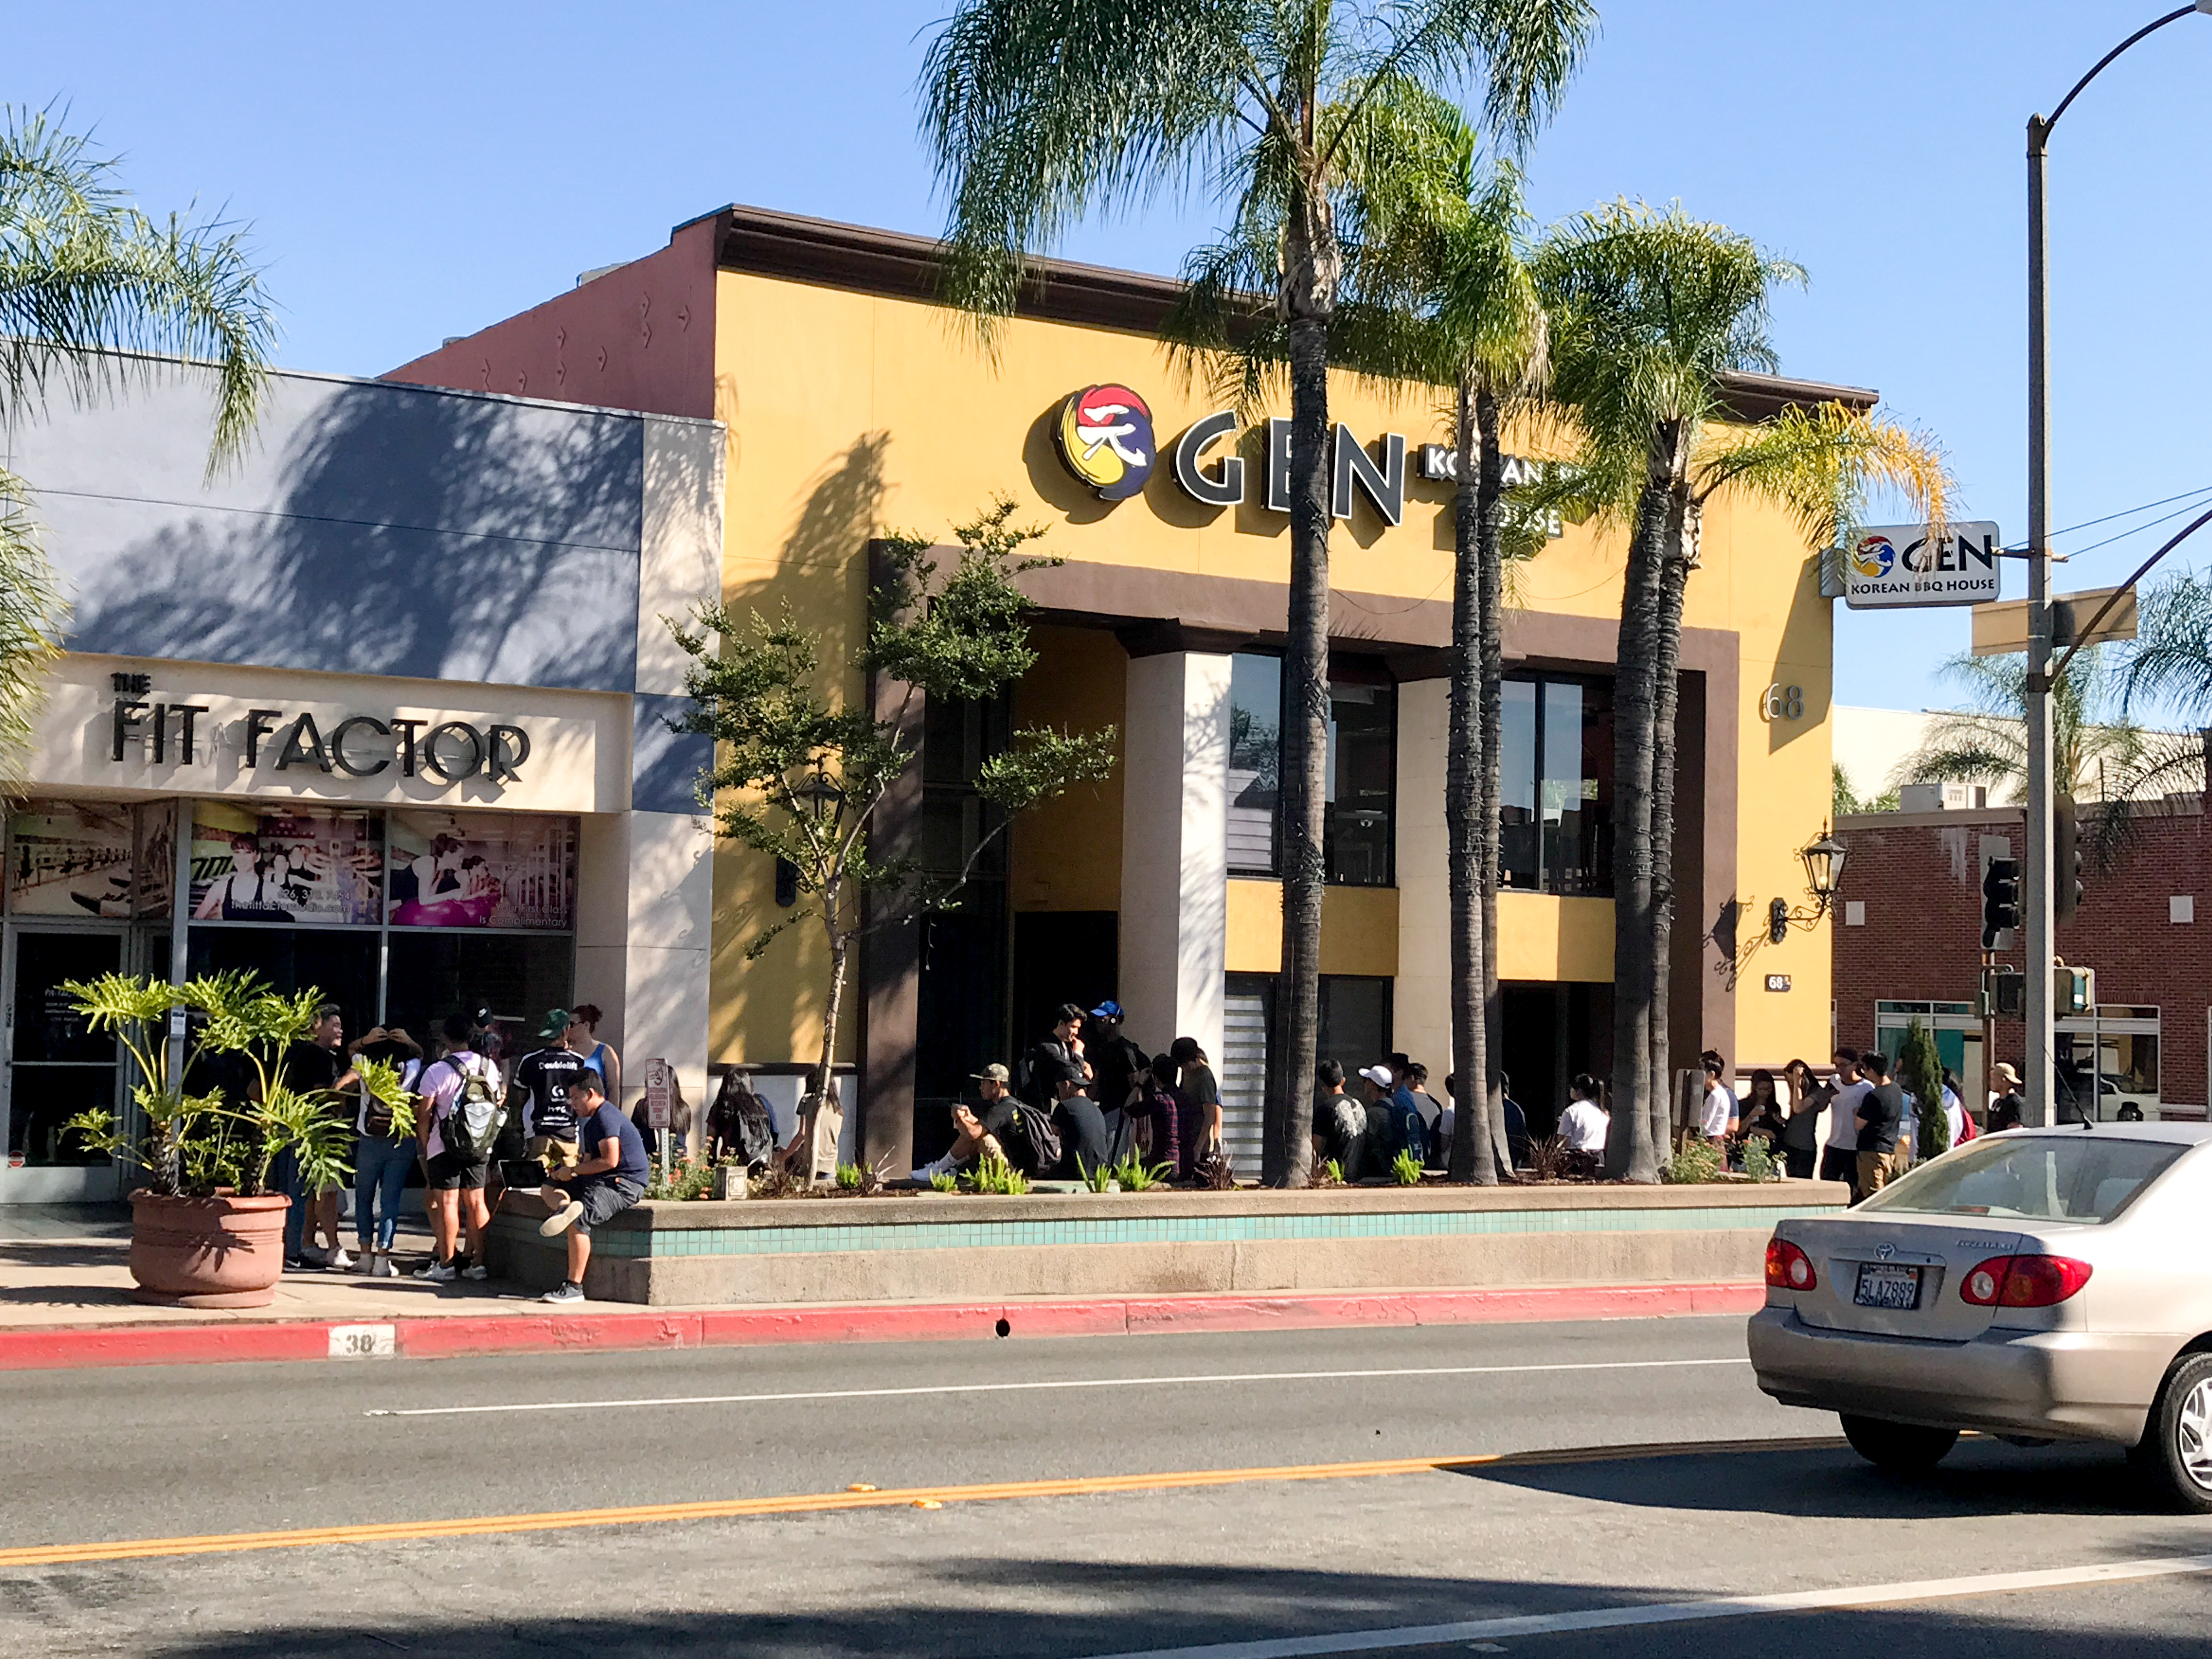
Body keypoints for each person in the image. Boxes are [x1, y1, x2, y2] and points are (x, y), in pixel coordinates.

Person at [537, 1072, 650, 1303]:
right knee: (550, 1185)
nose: (572, 1104)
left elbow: (611, 1161)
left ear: (590, 1094)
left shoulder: (606, 1118)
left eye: (576, 1098)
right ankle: (564, 1209)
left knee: (581, 1220)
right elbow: (590, 1161)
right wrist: (565, 1173)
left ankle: (574, 1287)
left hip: (624, 1184)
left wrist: (575, 1171)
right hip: (602, 1179)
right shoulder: (591, 1124)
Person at [275, 1002, 362, 1270]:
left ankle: (299, 1246)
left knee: (298, 1190)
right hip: (313, 1133)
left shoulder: (299, 1053)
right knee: (303, 1192)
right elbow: (325, 1096)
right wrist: (350, 1080)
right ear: (316, 1027)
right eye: (334, 1025)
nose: (340, 1030)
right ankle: (295, 1251)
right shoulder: (319, 1057)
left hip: (295, 1128)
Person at [414, 1012, 500, 1281]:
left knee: (448, 1202)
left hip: (445, 1145)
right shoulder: (489, 1068)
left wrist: (426, 1142)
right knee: (477, 1201)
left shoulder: (437, 1071)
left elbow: (425, 1114)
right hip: (480, 1144)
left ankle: (446, 1263)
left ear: (446, 1038)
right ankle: (478, 1262)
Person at [352, 1024, 424, 1273]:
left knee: (363, 1197)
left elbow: (351, 1051)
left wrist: (366, 1040)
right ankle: (383, 1258)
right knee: (390, 1201)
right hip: (400, 1139)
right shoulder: (411, 1068)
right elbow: (420, 1055)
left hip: (369, 1138)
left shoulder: (363, 1063)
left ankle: (364, 1255)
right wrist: (409, 1041)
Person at [507, 1009, 596, 1201]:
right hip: (568, 1131)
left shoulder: (530, 1061)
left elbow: (518, 1096)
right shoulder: (579, 1062)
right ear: (565, 1031)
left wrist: (517, 1125)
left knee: (534, 1185)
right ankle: (565, 1211)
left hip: (540, 1132)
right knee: (570, 1181)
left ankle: (536, 1219)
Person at [912, 1065, 1019, 1182]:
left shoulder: (1001, 1110)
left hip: (1012, 1172)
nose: (980, 1088)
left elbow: (973, 1133)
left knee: (978, 1137)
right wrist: (968, 1117)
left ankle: (938, 1170)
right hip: (1016, 1168)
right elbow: (981, 1127)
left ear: (996, 1084)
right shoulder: (1011, 1105)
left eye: (984, 1083)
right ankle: (947, 1169)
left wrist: (959, 1118)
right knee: (979, 1134)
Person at [1853, 1051, 1906, 1201]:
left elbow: (1859, 1124)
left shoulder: (1874, 1096)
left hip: (1871, 1151)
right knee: (1886, 1194)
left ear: (1871, 1071)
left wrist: (1856, 1112)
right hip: (1889, 1150)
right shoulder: (1896, 1090)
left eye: (1865, 1069)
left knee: (1873, 1197)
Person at [1085, 1002, 1147, 1122]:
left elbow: (1135, 1083)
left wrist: (1141, 1124)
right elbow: (1097, 1081)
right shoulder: (1102, 1049)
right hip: (1104, 1110)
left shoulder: (1125, 1049)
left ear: (1115, 1020)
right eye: (1097, 1019)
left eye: (1102, 1019)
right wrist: (1085, 1106)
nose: (1098, 1022)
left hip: (1120, 1113)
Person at [1172, 1036, 1223, 1180]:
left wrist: (1199, 1148)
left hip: (1199, 1145)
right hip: (1186, 1137)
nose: (1183, 1069)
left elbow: (1210, 1116)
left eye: (1183, 1065)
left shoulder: (1205, 1077)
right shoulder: (1187, 1073)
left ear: (1192, 1060)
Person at [1022, 1004, 1092, 1108]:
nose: (1076, 1032)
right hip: (1044, 1107)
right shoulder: (1047, 1048)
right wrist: (1079, 1054)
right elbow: (1073, 1074)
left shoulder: (1068, 1048)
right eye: (1073, 1027)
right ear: (1061, 1024)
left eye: (1078, 1028)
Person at [1821, 1048, 1872, 1187]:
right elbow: (1822, 1107)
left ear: (1855, 1065)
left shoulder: (1867, 1088)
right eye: (1836, 1065)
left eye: (1843, 1065)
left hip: (1854, 1149)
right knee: (1827, 1186)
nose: (1839, 1070)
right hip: (1834, 1145)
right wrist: (1827, 1096)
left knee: (1852, 1189)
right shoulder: (1833, 1081)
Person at [1311, 1058, 1368, 1179]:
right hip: (1360, 1175)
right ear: (1343, 1081)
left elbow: (1317, 1148)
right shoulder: (1359, 1105)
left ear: (1323, 1086)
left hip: (1336, 1175)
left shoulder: (1325, 1109)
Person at [1129, 1052, 1182, 1173]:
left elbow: (1128, 1109)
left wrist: (1139, 1083)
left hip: (1161, 1162)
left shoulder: (1159, 1100)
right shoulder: (1187, 1098)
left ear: (1156, 1078)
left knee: (1127, 1171)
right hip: (1183, 1162)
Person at [1780, 1058, 1829, 1181]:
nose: (1791, 1084)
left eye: (1792, 1081)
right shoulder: (1798, 1092)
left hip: (1805, 1148)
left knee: (1803, 1182)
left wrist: (1797, 1081)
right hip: (1790, 1144)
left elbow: (1798, 1108)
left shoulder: (1817, 1092)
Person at [568, 1005, 622, 1107]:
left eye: (572, 1024)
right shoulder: (566, 1051)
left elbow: (613, 1088)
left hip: (595, 1113)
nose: (568, 1029)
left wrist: (611, 1115)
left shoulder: (605, 1052)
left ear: (586, 1025)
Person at [1739, 1069, 1787, 1154]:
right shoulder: (1744, 1105)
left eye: (1769, 1089)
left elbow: (1777, 1133)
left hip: (1767, 1151)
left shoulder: (1774, 1107)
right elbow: (1739, 1131)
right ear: (1755, 1088)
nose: (1766, 1092)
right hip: (1745, 1151)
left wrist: (1780, 1122)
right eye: (1762, 1089)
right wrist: (1752, 1116)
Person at [1559, 1072, 1609, 1153]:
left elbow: (1564, 1141)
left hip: (1577, 1157)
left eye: (1572, 1088)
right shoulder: (1603, 1112)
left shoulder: (1572, 1111)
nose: (1570, 1091)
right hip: (1599, 1156)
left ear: (1579, 1091)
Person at [1697, 1056, 1738, 1141]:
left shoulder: (1715, 1095)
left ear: (1712, 1074)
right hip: (1719, 1139)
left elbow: (1706, 1123)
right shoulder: (1722, 1092)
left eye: (1703, 1072)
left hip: (1712, 1139)